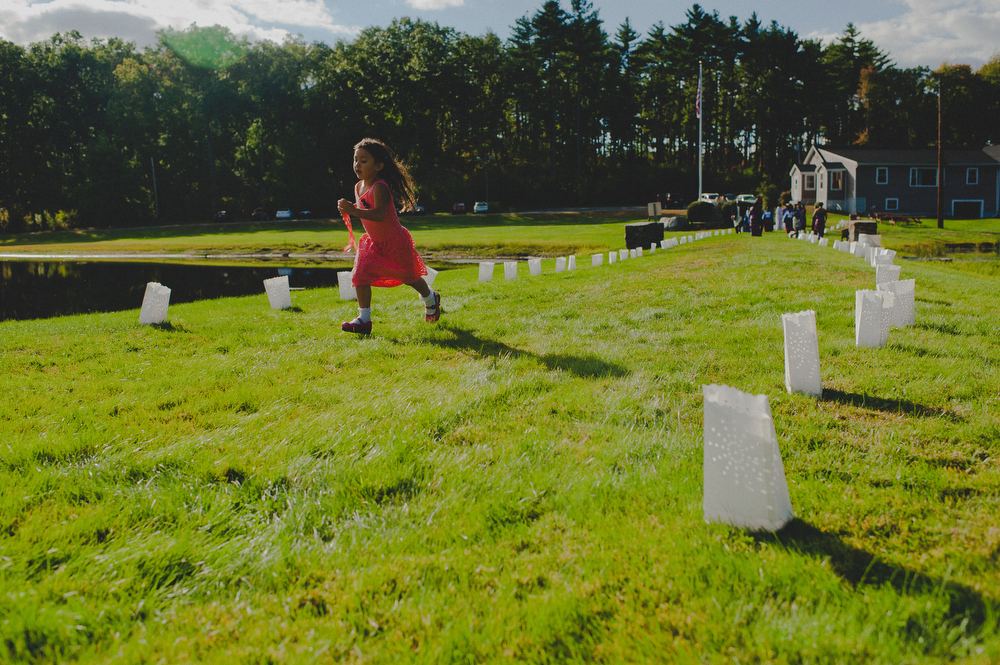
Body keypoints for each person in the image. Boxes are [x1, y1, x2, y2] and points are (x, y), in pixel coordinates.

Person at [336, 138, 441, 334]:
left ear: (379, 166)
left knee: (409, 276)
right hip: (373, 242)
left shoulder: (380, 187)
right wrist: (348, 209)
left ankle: (430, 298)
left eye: (364, 160)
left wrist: (354, 211)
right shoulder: (358, 187)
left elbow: (379, 214)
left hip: (394, 241)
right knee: (360, 275)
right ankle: (364, 319)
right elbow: (363, 209)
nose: (357, 165)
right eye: (355, 160)